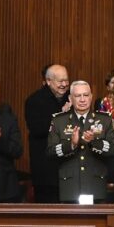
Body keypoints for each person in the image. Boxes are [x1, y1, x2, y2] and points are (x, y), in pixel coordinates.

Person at [47, 80, 114, 203]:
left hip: (95, 185)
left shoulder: (105, 120)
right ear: (70, 98)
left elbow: (113, 150)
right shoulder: (59, 121)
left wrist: (94, 142)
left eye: (86, 95)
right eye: (78, 96)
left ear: (91, 97)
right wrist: (71, 145)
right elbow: (50, 152)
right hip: (69, 186)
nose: (82, 99)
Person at [24, 64, 70, 202]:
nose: (64, 84)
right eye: (60, 81)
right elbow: (38, 129)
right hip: (46, 172)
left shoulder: (72, 97)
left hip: (70, 171)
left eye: (66, 80)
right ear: (48, 81)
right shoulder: (35, 100)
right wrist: (61, 115)